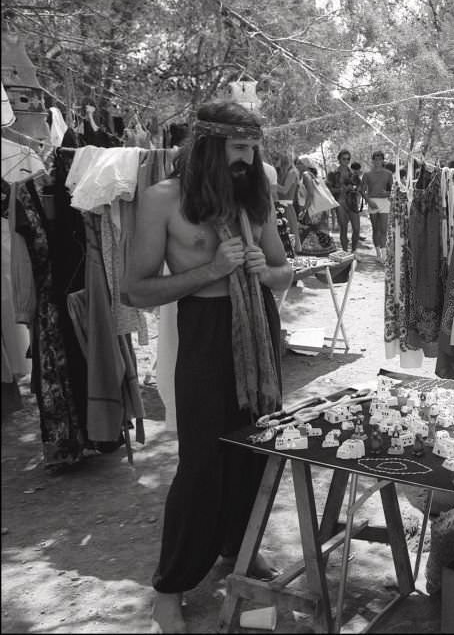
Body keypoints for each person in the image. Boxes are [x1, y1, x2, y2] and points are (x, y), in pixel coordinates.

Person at [122, 101, 293, 633]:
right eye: (237, 149)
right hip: (201, 332)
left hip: (259, 334)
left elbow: (286, 272)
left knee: (256, 452)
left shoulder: (254, 199)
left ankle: (237, 548)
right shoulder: (161, 200)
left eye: (252, 148)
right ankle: (170, 585)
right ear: (207, 147)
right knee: (201, 465)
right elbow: (137, 288)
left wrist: (268, 274)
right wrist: (213, 270)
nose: (247, 160)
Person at [327, 149, 367, 252]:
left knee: (357, 229)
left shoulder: (353, 174)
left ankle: (353, 251)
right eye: (344, 159)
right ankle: (345, 252)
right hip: (340, 202)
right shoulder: (333, 173)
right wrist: (341, 189)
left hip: (352, 202)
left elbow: (361, 187)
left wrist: (356, 189)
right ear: (339, 159)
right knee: (343, 229)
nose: (346, 161)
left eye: (348, 159)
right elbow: (328, 190)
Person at [364, 150, 393, 261]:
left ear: (382, 160)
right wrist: (369, 201)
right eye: (375, 159)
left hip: (384, 202)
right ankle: (378, 255)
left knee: (384, 229)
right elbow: (361, 190)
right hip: (372, 201)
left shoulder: (388, 174)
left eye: (380, 159)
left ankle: (384, 255)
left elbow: (393, 190)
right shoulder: (367, 174)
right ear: (372, 160)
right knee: (376, 229)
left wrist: (387, 193)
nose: (377, 161)